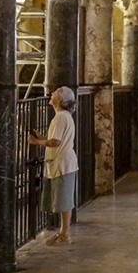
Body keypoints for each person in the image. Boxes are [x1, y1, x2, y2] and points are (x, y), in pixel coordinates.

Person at [27, 86, 78, 245]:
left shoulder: (60, 117)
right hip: (63, 162)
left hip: (62, 163)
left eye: (56, 92)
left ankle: (64, 233)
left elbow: (55, 142)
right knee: (63, 198)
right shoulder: (64, 116)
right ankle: (63, 231)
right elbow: (56, 139)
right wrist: (43, 138)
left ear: (61, 100)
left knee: (64, 199)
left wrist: (37, 142)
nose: (52, 94)